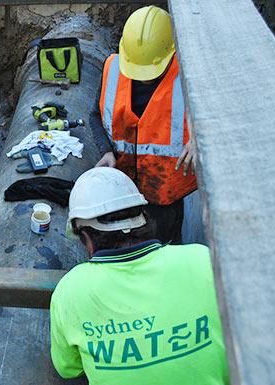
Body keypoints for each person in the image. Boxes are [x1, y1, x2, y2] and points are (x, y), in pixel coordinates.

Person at [50, 167, 229, 385]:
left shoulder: (70, 290)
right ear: (144, 217)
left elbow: (68, 368)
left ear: (85, 236)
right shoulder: (202, 259)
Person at [94, 5, 197, 244]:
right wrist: (105, 150)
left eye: (151, 70)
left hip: (167, 197)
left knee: (166, 248)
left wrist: (200, 138)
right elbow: (94, 116)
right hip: (123, 191)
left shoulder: (190, 77)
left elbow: (221, 116)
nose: (143, 77)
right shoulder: (113, 70)